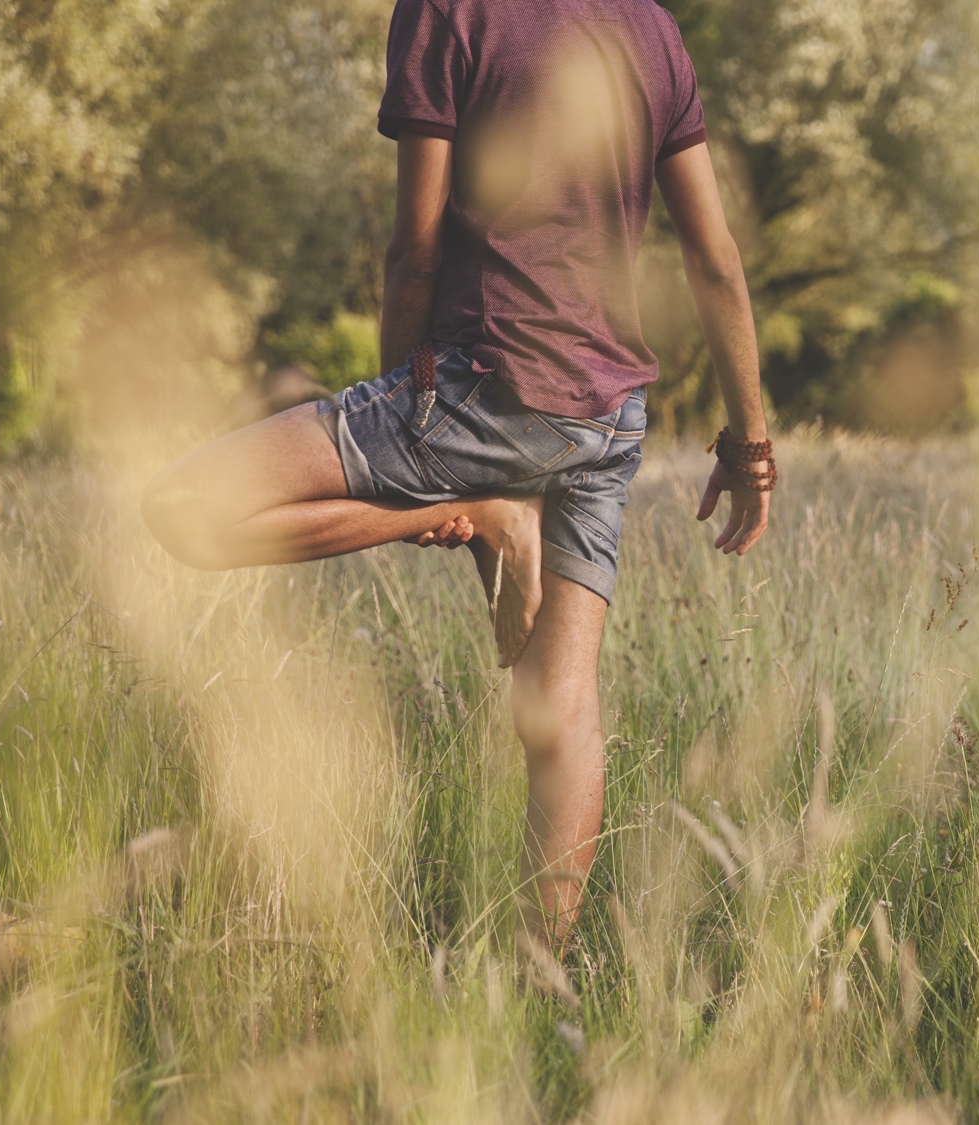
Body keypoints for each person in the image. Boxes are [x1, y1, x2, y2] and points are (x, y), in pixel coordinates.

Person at [141, 0, 774, 948]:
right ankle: (540, 981)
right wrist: (750, 447)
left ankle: (482, 510)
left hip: (482, 387)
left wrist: (420, 450)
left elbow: (414, 251)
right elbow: (715, 261)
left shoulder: (450, 8)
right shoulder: (648, 25)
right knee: (560, 714)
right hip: (606, 421)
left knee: (180, 507)